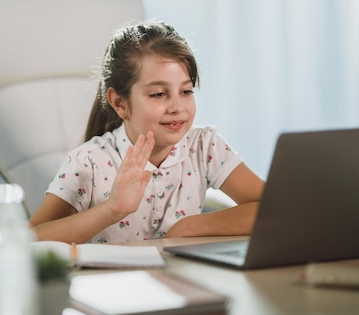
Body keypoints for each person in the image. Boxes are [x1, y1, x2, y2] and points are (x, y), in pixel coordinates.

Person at [29, 20, 264, 243]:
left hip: (181, 282)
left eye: (186, 91)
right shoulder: (89, 162)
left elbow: (276, 209)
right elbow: (28, 239)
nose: (177, 107)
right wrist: (112, 209)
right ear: (120, 103)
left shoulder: (204, 147)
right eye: (159, 94)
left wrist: (189, 227)